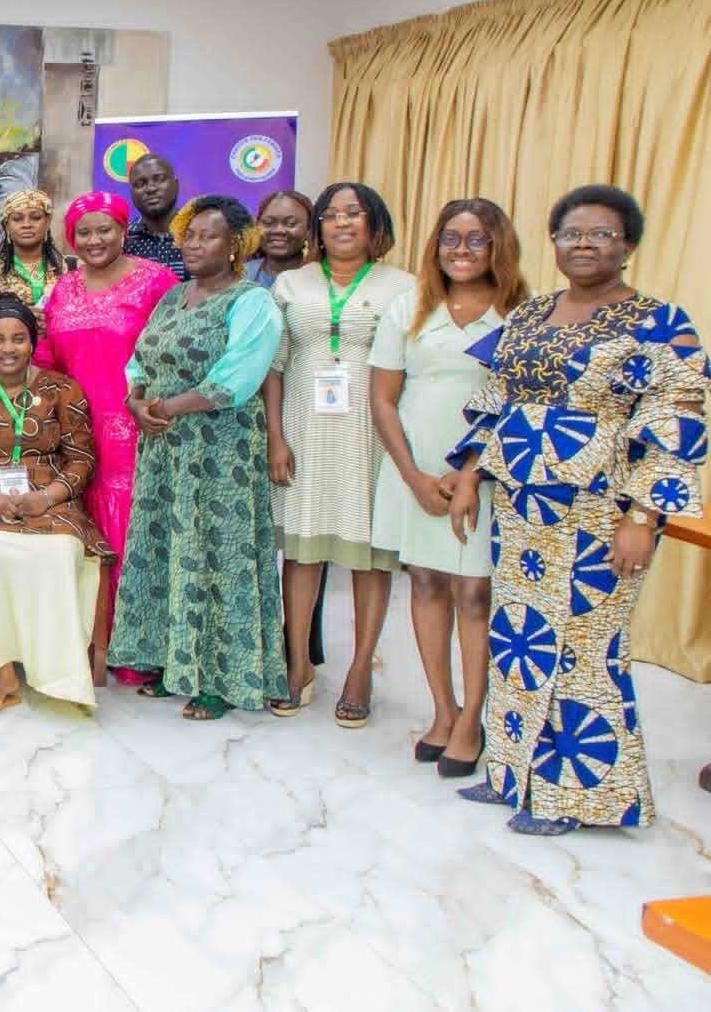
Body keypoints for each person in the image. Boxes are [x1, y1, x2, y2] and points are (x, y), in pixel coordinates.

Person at [449, 185, 706, 836]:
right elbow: (494, 399)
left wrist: (644, 518)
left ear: (628, 244)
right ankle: (511, 773)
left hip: (600, 512)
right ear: (554, 241)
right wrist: (466, 478)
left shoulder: (658, 322)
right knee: (520, 642)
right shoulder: (533, 314)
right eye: (572, 233)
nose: (584, 243)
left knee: (583, 649)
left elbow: (678, 420)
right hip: (522, 506)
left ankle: (575, 796)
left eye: (601, 233)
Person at [109, 196, 287, 719]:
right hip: (165, 449)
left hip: (221, 450)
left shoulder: (252, 302)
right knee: (166, 549)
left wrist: (163, 406)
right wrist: (136, 400)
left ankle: (221, 679)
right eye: (189, 235)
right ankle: (173, 663)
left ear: (236, 244)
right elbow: (140, 357)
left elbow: (237, 378)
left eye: (207, 236)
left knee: (218, 555)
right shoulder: (173, 296)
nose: (192, 244)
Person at [369, 199, 529, 777]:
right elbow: (383, 397)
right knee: (428, 583)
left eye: (477, 240)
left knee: (475, 594)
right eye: (450, 239)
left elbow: (522, 407)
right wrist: (413, 476)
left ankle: (473, 718)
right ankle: (443, 709)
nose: (461, 251)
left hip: (487, 473)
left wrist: (472, 473)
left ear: (499, 246)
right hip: (415, 468)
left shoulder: (524, 314)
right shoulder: (409, 307)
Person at [263, 181, 414, 725]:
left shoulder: (404, 287)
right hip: (302, 427)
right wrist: (275, 436)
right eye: (331, 215)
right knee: (302, 551)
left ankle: (359, 672)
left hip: (370, 433)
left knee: (369, 555)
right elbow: (274, 366)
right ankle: (298, 664)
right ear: (317, 228)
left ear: (376, 225)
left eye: (354, 214)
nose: (342, 223)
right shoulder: (290, 283)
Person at [0, 298, 112, 719]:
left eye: (18, 339)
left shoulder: (62, 389)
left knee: (57, 552)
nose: (8, 348)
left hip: (49, 496)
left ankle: (60, 675)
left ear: (33, 343)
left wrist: (44, 497)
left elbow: (82, 459)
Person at [35, 191, 178, 683]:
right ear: (71, 238)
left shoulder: (156, 281)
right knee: (82, 530)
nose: (94, 240)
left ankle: (137, 647)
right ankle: (88, 639)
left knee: (133, 530)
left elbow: (175, 353)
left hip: (136, 425)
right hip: (73, 426)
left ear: (122, 230)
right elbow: (47, 357)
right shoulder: (63, 289)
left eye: (105, 229)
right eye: (84, 232)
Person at [0, 187, 68, 315]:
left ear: (47, 222)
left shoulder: (69, 267)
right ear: (6, 225)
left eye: (36, 217)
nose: (26, 224)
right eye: (17, 219)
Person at [123, 154, 185, 278]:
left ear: (176, 185)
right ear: (132, 193)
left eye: (159, 179)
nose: (151, 188)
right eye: (140, 184)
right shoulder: (123, 240)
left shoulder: (198, 233)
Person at [246, 190, 312, 289]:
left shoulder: (320, 278)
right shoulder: (240, 276)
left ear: (309, 229)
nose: (278, 230)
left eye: (291, 223)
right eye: (268, 223)